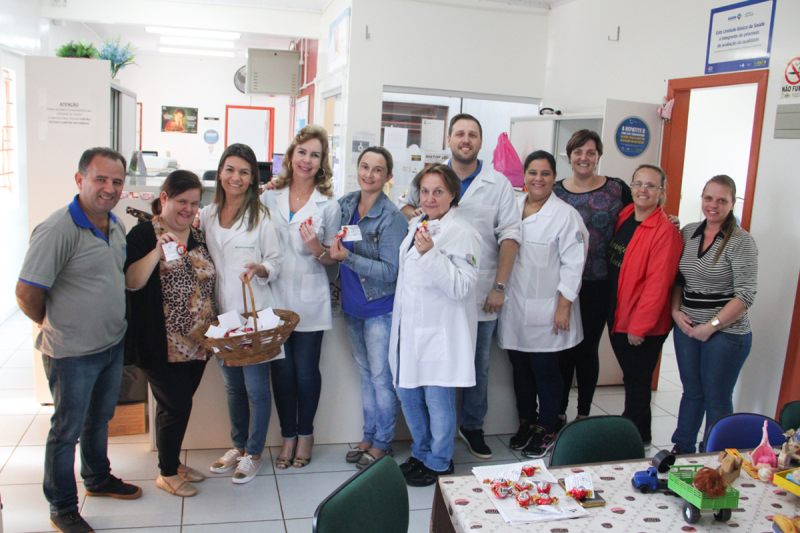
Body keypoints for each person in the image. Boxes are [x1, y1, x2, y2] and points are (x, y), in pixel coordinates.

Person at [16, 147, 142, 533]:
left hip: (110, 345)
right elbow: (27, 292)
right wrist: (55, 324)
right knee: (65, 431)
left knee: (99, 419)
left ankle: (98, 478)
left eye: (116, 181)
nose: (109, 188)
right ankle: (63, 508)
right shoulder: (58, 229)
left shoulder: (115, 224)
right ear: (80, 179)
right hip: (71, 354)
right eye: (100, 179)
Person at [397, 113, 520, 460]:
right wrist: (416, 216)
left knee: (474, 369)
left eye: (473, 134)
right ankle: (433, 448)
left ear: (480, 141)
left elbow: (510, 235)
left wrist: (499, 286)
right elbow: (406, 202)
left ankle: (472, 428)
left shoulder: (498, 184)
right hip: (435, 301)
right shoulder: (432, 180)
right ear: (449, 139)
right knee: (438, 379)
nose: (466, 140)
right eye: (460, 134)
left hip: (479, 292)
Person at [125, 170, 216, 498]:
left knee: (178, 406)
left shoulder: (198, 236)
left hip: (199, 343)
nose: (188, 209)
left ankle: (173, 462)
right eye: (181, 201)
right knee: (175, 406)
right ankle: (166, 473)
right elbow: (131, 282)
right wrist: (156, 253)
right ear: (164, 198)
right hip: (160, 343)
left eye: (194, 203)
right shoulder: (143, 234)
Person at [391, 165, 482, 487]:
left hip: (441, 331)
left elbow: (462, 286)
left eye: (438, 191)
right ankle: (421, 452)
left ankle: (440, 461)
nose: (430, 198)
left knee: (437, 400)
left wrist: (431, 254)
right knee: (408, 395)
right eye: (425, 191)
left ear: (453, 194)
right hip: (410, 329)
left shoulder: (463, 232)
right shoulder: (418, 223)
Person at [198, 144, 283, 483]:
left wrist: (260, 268)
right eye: (231, 169)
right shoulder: (206, 214)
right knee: (232, 386)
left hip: (253, 314)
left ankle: (254, 453)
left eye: (244, 172)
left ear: (252, 179)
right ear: (220, 172)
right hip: (221, 316)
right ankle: (238, 445)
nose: (236, 177)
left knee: (256, 388)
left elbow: (276, 261)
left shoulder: (262, 217)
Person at [260, 124, 341, 469]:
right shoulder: (269, 197)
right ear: (291, 154)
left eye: (315, 155)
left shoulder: (328, 205)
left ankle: (305, 435)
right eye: (302, 152)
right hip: (273, 295)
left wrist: (317, 248)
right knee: (281, 371)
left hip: (310, 297)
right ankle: (287, 437)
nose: (307, 160)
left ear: (322, 163)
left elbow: (332, 261)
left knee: (306, 371)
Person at [497, 151, 588, 457]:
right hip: (514, 308)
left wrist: (563, 307)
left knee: (545, 371)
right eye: (533, 172)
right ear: (524, 176)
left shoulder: (565, 216)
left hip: (548, 308)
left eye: (545, 173)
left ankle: (547, 427)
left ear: (554, 178)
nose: (538, 179)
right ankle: (527, 422)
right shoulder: (512, 206)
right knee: (520, 370)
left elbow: (574, 265)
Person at [329, 147, 408, 468]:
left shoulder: (392, 217)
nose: (369, 174)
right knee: (365, 374)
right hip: (352, 306)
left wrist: (348, 258)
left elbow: (391, 272)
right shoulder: (346, 204)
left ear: (388, 177)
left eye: (377, 170)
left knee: (380, 377)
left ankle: (383, 443)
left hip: (380, 309)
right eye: (364, 167)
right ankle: (369, 435)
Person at [670, 175, 758, 455]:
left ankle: (714, 454)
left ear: (732, 203)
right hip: (687, 327)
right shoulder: (689, 232)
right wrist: (675, 312)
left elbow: (745, 295)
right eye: (709, 198)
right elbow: (678, 279)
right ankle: (682, 449)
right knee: (692, 392)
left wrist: (711, 326)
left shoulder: (741, 241)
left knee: (716, 397)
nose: (713, 205)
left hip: (726, 333)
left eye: (722, 200)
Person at [553, 129, 632, 428]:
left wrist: (670, 219)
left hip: (598, 283)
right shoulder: (556, 190)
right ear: (569, 156)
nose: (584, 158)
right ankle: (558, 411)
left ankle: (584, 412)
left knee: (587, 350)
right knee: (563, 350)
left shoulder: (616, 189)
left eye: (590, 152)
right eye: (578, 152)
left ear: (598, 156)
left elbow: (640, 218)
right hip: (561, 284)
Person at [606, 165, 683, 448]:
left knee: (637, 382)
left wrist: (639, 327)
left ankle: (636, 439)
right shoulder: (626, 216)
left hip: (643, 323)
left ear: (661, 192)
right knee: (632, 378)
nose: (643, 190)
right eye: (638, 183)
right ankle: (637, 431)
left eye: (651, 185)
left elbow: (658, 286)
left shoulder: (665, 232)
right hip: (619, 312)